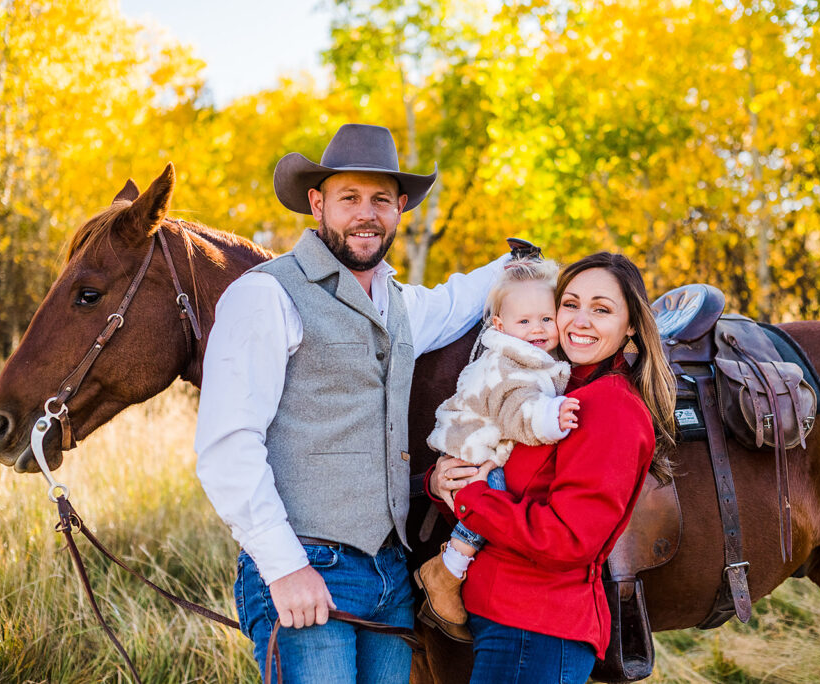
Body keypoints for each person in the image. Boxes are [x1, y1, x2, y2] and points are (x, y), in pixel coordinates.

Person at [194, 123, 510, 683]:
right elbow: (227, 446)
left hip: (391, 574)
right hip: (308, 565)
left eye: (381, 200)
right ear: (317, 204)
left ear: (400, 208)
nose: (367, 214)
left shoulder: (400, 304)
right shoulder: (267, 294)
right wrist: (284, 568)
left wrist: (525, 264)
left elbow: (459, 298)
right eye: (350, 198)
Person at [429, 252, 676, 683]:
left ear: (631, 325)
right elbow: (505, 474)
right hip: (502, 617)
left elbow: (569, 539)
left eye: (601, 309)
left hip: (538, 627)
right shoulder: (549, 385)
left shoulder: (610, 406)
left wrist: (471, 498)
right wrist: (443, 480)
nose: (580, 321)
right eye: (570, 304)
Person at [414, 256, 581, 642]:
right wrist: (552, 417)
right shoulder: (507, 364)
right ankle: (446, 570)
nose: (537, 329)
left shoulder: (530, 356)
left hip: (485, 442)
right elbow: (516, 411)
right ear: (500, 327)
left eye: (546, 318)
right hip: (472, 449)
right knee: (494, 494)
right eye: (525, 321)